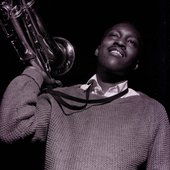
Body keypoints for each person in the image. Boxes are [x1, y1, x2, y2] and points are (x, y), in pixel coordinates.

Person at [0, 21, 170, 170]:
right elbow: (12, 129)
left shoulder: (153, 112)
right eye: (114, 35)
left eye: (131, 42)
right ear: (97, 49)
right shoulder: (59, 98)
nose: (120, 42)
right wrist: (33, 72)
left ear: (136, 64)